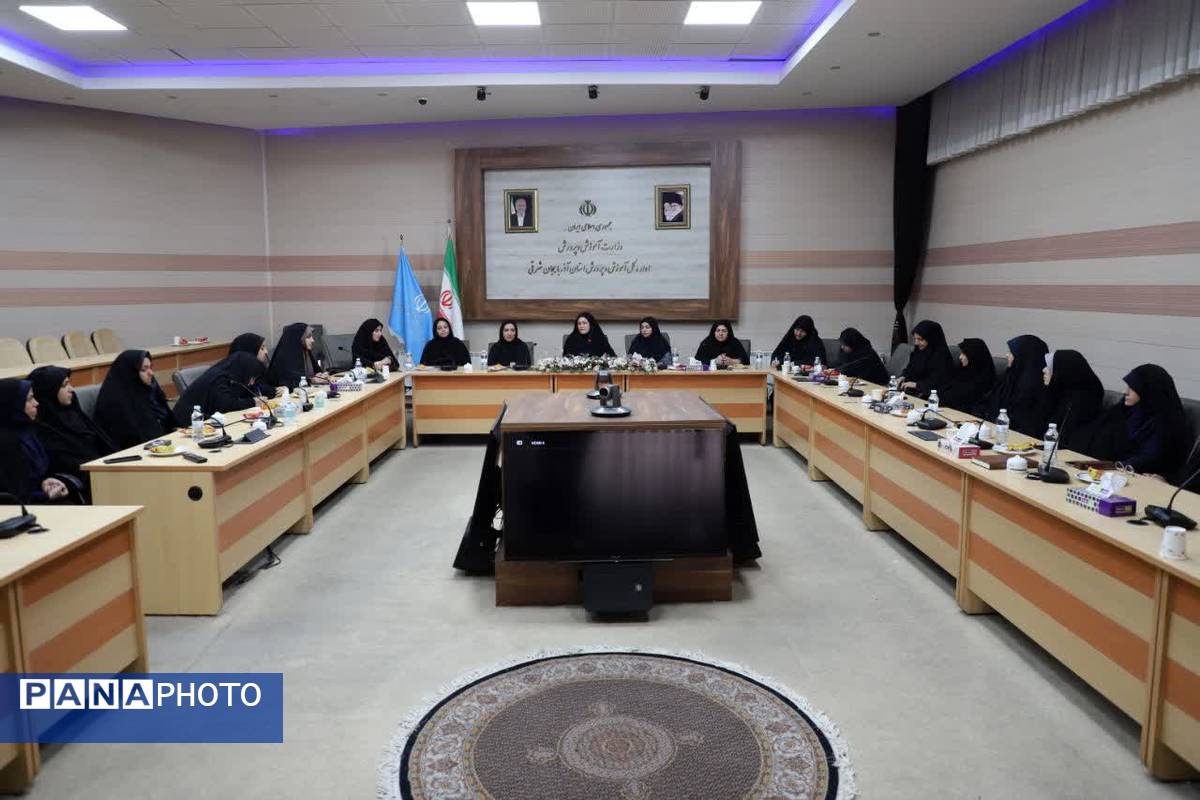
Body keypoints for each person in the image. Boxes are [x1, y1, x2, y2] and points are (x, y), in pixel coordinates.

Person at [1088, 365, 1188, 477]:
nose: (1126, 392)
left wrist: (1112, 467)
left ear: (1147, 390)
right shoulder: (1124, 411)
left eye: (1132, 388)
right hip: (1107, 473)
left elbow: (1148, 459)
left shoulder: (1165, 423)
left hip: (1141, 478)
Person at [29, 366, 115, 485]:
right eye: (64, 385)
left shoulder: (72, 412)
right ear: (49, 390)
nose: (71, 389)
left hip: (102, 471)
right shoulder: (43, 430)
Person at [0, 378, 75, 503]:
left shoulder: (28, 430)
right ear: (13, 404)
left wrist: (45, 483)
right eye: (29, 399)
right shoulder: (5, 444)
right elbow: (14, 496)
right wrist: (45, 496)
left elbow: (35, 478)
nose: (36, 403)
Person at [93, 350, 174, 449]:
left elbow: (167, 424)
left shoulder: (149, 392)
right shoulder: (114, 402)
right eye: (144, 369)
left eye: (150, 368)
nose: (151, 373)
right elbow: (131, 439)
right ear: (130, 373)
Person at [171, 352, 268, 428]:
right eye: (251, 378)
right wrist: (253, 402)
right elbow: (227, 405)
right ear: (243, 370)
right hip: (187, 424)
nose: (252, 383)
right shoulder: (219, 378)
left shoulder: (232, 376)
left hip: (207, 422)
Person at [1041, 350, 1105, 451]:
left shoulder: (1082, 403)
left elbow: (1065, 442)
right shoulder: (1060, 394)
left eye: (1050, 367)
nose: (1044, 370)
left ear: (1063, 371)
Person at [986, 335, 1049, 436]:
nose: (1007, 355)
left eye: (1011, 352)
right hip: (993, 431)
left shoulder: (1033, 387)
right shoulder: (1009, 375)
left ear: (1023, 356)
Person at [899, 320, 955, 398]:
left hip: (932, 396)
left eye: (920, 339)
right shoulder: (918, 350)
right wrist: (903, 376)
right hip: (913, 391)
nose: (916, 343)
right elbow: (910, 368)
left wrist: (917, 385)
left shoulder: (942, 356)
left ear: (931, 339)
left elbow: (937, 380)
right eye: (915, 339)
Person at [939, 338, 995, 414]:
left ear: (974, 355)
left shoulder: (984, 381)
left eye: (964, 354)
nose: (960, 357)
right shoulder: (962, 371)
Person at [269, 322, 330, 390]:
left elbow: (315, 372)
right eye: (308, 337)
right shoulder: (286, 357)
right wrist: (311, 380)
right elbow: (287, 383)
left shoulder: (305, 351)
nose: (313, 340)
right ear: (298, 339)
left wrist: (321, 376)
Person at [229, 332, 278, 397]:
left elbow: (266, 387)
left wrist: (279, 390)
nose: (266, 351)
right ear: (250, 351)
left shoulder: (260, 369)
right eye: (262, 348)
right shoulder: (235, 377)